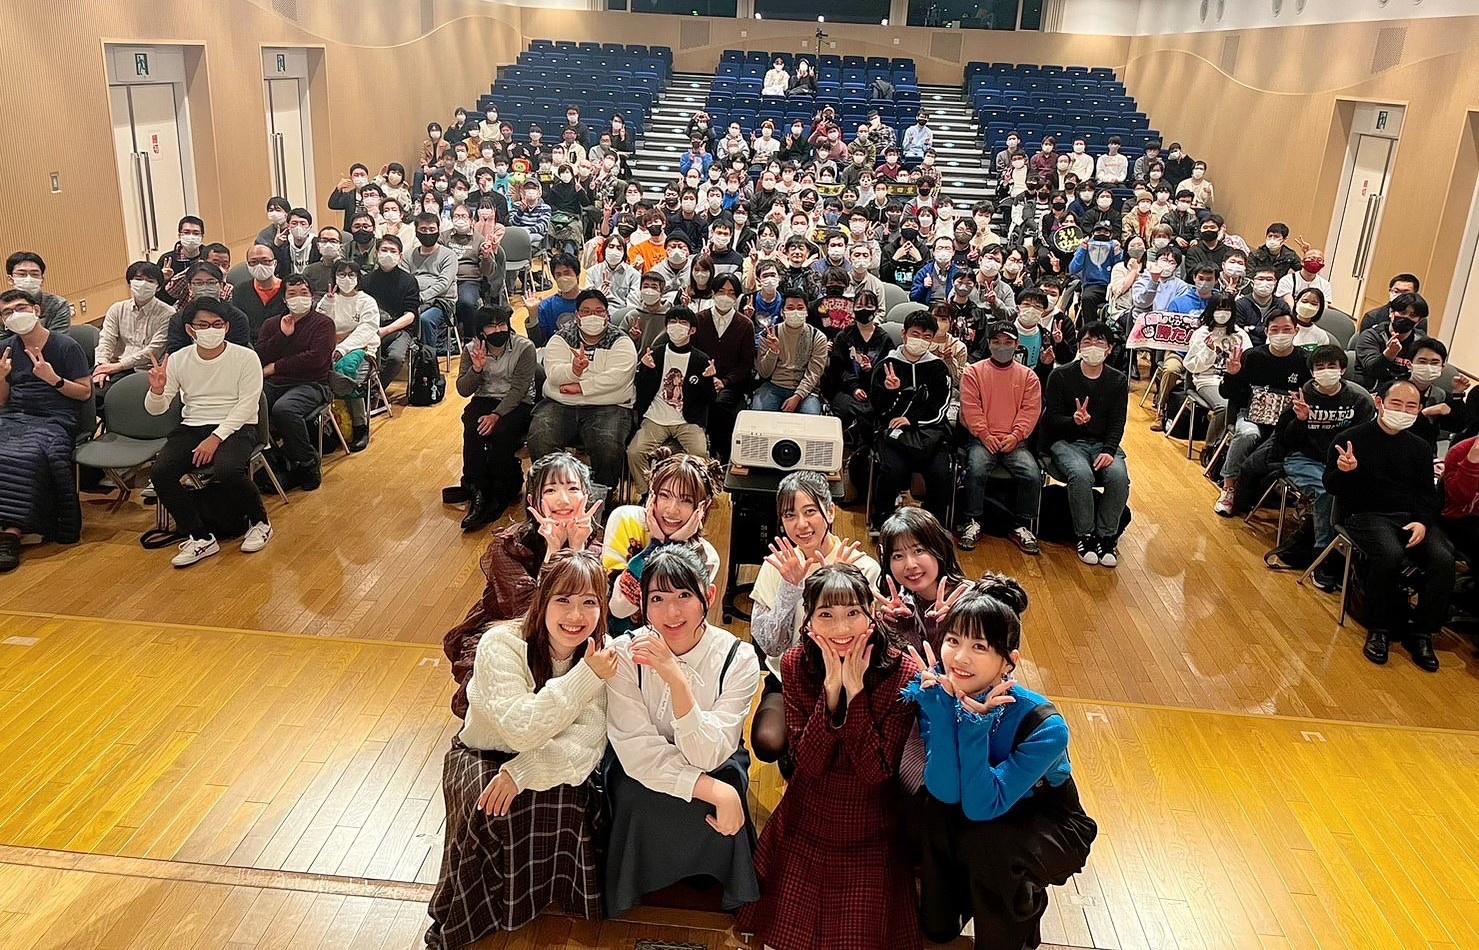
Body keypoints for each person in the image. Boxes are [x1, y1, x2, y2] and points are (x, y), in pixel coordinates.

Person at [427, 552, 617, 948]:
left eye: (589, 602)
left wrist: (522, 773)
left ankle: (548, 898)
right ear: (542, 600)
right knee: (486, 805)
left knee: (570, 798)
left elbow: (588, 743)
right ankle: (472, 916)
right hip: (483, 751)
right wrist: (585, 676)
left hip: (549, 755)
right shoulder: (501, 643)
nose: (576, 615)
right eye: (563, 600)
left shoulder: (601, 654)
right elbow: (520, 729)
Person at [904, 578, 1097, 950]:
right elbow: (945, 793)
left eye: (979, 646)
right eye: (953, 640)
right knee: (930, 812)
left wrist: (974, 724)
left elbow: (983, 806)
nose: (960, 658)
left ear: (1010, 662)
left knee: (989, 843)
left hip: (1046, 818)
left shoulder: (1044, 724)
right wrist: (942, 715)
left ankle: (1019, 921)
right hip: (974, 801)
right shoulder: (940, 694)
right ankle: (948, 916)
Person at [737, 564, 922, 950]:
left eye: (853, 612)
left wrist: (856, 695)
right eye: (826, 615)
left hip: (870, 824)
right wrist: (832, 690)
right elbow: (807, 765)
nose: (841, 629)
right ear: (808, 623)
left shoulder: (902, 671)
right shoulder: (794, 663)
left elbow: (875, 772)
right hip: (808, 814)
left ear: (872, 615)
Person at [602, 545, 762, 917]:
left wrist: (676, 680)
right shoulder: (623, 654)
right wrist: (717, 792)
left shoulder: (739, 658)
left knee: (723, 781)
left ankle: (719, 877)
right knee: (634, 794)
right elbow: (637, 750)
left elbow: (708, 755)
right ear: (642, 605)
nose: (671, 613)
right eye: (657, 598)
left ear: (709, 596)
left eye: (684, 596)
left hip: (715, 757)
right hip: (639, 765)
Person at [444, 454, 605, 717]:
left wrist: (577, 549)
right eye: (550, 490)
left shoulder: (597, 545)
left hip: (574, 634)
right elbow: (529, 615)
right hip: (514, 633)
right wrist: (553, 552)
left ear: (586, 496)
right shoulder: (508, 546)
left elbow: (594, 612)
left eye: (573, 488)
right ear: (533, 501)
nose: (563, 500)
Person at [1324, 380, 1452, 672]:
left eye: (1411, 406)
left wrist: (1423, 522)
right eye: (1396, 403)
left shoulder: (1419, 447)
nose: (1403, 411)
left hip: (1409, 517)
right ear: (1380, 403)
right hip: (1366, 514)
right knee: (1390, 554)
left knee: (1443, 558)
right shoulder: (1351, 438)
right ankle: (1379, 628)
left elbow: (1427, 494)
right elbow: (1331, 486)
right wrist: (1345, 472)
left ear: (1419, 410)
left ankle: (1422, 633)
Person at [145, 298, 272, 568]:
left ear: (226, 327)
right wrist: (156, 390)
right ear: (190, 330)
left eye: (217, 324)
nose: (210, 329)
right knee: (160, 473)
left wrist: (216, 438)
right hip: (193, 425)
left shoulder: (245, 357)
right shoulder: (178, 359)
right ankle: (200, 536)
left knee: (228, 469)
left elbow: (248, 404)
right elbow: (156, 409)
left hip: (238, 425)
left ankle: (260, 522)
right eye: (203, 325)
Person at [0, 290, 91, 572]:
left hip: (54, 418)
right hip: (15, 416)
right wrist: (1, 378)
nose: (15, 315)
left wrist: (53, 379)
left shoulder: (66, 346)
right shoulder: (5, 348)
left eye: (20, 308)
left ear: (37, 310)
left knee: (28, 455)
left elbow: (85, 393)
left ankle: (12, 532)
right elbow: (2, 401)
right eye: (7, 312)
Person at [1271, 346, 1374, 587]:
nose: (1326, 371)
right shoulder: (1301, 397)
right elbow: (1285, 441)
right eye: (1320, 367)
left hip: (1341, 462)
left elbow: (1363, 439)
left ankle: (1353, 561)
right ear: (1312, 372)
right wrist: (1301, 420)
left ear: (1342, 370)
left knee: (1361, 492)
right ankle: (1322, 556)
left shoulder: (1359, 401)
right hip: (1303, 459)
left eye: (1331, 366)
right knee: (1327, 491)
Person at [527, 290, 637, 489]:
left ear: (607, 315)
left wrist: (580, 386)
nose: (592, 316)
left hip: (609, 407)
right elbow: (554, 375)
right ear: (577, 315)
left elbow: (618, 380)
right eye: (586, 311)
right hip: (560, 405)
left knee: (607, 447)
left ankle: (602, 495)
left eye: (598, 311)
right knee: (539, 438)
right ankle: (551, 492)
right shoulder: (561, 338)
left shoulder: (621, 341)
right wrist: (575, 370)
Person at [1043, 324, 1131, 566]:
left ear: (1109, 349)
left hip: (1102, 443)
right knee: (1081, 474)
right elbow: (1051, 419)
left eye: (1100, 343)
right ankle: (1085, 536)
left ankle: (1107, 536)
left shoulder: (1117, 380)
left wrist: (1109, 450)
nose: (1093, 348)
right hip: (1066, 442)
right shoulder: (1060, 376)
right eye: (1087, 342)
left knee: (1118, 476)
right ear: (1079, 347)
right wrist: (1073, 420)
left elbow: (1117, 421)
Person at [959, 322, 1044, 554]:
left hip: (1015, 441)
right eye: (996, 342)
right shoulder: (973, 372)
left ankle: (1022, 525)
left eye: (1008, 342)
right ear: (989, 344)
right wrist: (984, 434)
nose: (1002, 346)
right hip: (981, 439)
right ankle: (972, 520)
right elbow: (970, 407)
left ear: (1016, 345)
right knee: (976, 469)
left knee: (1032, 474)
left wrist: (1016, 436)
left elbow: (1030, 410)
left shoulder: (1029, 376)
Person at [1215, 312, 1310, 515]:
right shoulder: (1253, 356)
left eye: (1286, 330)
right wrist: (1232, 375)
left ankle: (1301, 499)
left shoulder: (1304, 360)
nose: (1281, 335)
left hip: (1287, 421)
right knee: (1247, 434)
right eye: (1275, 330)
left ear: (1296, 331)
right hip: (1252, 415)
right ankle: (1229, 487)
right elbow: (1229, 394)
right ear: (1266, 332)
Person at [870, 311, 954, 531]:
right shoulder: (887, 364)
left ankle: (933, 527)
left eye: (927, 336)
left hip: (928, 433)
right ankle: (882, 521)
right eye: (915, 334)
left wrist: (912, 420)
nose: (920, 340)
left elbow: (941, 407)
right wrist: (891, 392)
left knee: (940, 472)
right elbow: (878, 410)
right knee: (892, 470)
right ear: (904, 333)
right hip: (893, 433)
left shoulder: (938, 368)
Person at [457, 306, 536, 532]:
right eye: (491, 326)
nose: (498, 330)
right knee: (472, 426)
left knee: (501, 431)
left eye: (502, 324)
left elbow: (520, 389)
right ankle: (478, 488)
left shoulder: (524, 347)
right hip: (485, 398)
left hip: (518, 401)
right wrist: (476, 369)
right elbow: (463, 389)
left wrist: (496, 414)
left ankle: (504, 488)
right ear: (481, 331)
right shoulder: (471, 349)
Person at [256, 275, 334, 491]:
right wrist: (282, 335)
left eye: (304, 293)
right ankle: (277, 462)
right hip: (275, 383)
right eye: (292, 294)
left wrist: (276, 366)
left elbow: (316, 359)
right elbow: (260, 355)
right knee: (251, 406)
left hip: (312, 383)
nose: (298, 298)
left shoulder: (323, 324)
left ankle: (308, 462)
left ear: (312, 296)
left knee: (284, 409)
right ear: (284, 299)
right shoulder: (272, 324)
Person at [627, 308, 714, 493]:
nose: (677, 326)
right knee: (634, 452)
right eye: (672, 322)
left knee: (700, 454)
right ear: (666, 327)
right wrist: (646, 370)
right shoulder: (654, 355)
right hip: (655, 418)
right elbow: (640, 390)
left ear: (692, 330)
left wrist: (708, 380)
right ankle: (648, 493)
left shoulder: (701, 360)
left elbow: (710, 399)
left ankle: (693, 494)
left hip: (687, 420)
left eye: (683, 322)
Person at [93, 262, 172, 411]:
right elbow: (106, 340)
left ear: (158, 287)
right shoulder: (117, 309)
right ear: (130, 283)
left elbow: (153, 351)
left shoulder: (167, 314)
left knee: (112, 399)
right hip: (113, 366)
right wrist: (101, 366)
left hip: (144, 370)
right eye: (138, 279)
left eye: (150, 281)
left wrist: (115, 367)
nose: (143, 284)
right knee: (86, 393)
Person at [318, 261, 379, 452]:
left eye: (351, 274)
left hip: (361, 348)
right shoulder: (328, 299)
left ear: (358, 278)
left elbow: (366, 330)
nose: (346, 279)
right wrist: (328, 303)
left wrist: (343, 346)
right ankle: (329, 426)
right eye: (341, 274)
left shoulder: (367, 301)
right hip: (330, 347)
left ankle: (360, 426)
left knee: (345, 372)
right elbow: (320, 325)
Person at [753, 289, 829, 414]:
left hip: (806, 391)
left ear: (806, 312)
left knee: (810, 418)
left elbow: (814, 373)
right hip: (774, 386)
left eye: (800, 308)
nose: (795, 312)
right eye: (790, 308)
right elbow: (764, 373)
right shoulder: (769, 334)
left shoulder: (818, 337)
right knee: (759, 415)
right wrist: (773, 351)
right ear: (782, 312)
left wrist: (798, 396)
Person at [361, 235, 421, 386]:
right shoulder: (366, 280)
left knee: (396, 358)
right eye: (384, 250)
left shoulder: (409, 281)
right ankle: (361, 390)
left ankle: (376, 390)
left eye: (393, 251)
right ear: (376, 253)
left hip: (400, 330)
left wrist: (385, 330)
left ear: (400, 256)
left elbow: (410, 315)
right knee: (360, 356)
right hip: (370, 329)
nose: (388, 254)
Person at [1355, 292, 1428, 386]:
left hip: (1406, 389)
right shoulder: (1371, 335)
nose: (1406, 317)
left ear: (1419, 321)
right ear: (1391, 313)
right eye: (1402, 312)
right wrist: (1389, 354)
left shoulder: (1422, 343)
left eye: (1413, 315)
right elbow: (1371, 369)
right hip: (1372, 388)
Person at [232, 244, 287, 340]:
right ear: (248, 265)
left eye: (265, 261)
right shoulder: (240, 290)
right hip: (250, 344)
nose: (259, 265)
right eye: (254, 262)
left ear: (274, 263)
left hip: (283, 341)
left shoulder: (287, 289)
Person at [585, 234, 640, 309]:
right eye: (611, 247)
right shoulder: (591, 272)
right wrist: (597, 294)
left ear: (624, 253)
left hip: (622, 312)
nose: (614, 251)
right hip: (597, 310)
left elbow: (633, 305)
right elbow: (586, 300)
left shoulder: (634, 275)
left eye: (619, 248)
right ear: (604, 249)